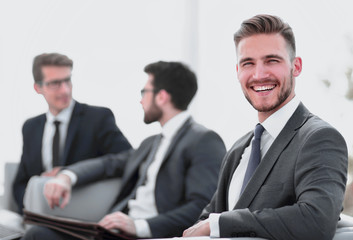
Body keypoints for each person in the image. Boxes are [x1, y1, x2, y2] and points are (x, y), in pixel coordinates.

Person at [183, 14, 348, 240]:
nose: (259, 75)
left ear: (296, 66)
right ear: (238, 71)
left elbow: (317, 220)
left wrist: (222, 223)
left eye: (272, 60)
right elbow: (207, 221)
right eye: (248, 63)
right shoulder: (239, 149)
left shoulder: (320, 138)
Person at [22, 61, 226, 239]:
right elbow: (110, 163)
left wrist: (139, 227)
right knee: (37, 234)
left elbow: (201, 206)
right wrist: (67, 176)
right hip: (115, 231)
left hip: (150, 234)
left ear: (161, 97)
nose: (140, 100)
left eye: (144, 92)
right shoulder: (151, 143)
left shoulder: (204, 140)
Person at [13, 53, 132, 214]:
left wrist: (70, 172)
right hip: (40, 215)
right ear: (38, 88)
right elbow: (20, 183)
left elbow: (128, 158)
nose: (65, 90)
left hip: (82, 214)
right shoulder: (31, 127)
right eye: (55, 83)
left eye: (67, 80)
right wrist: (31, 210)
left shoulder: (97, 118)